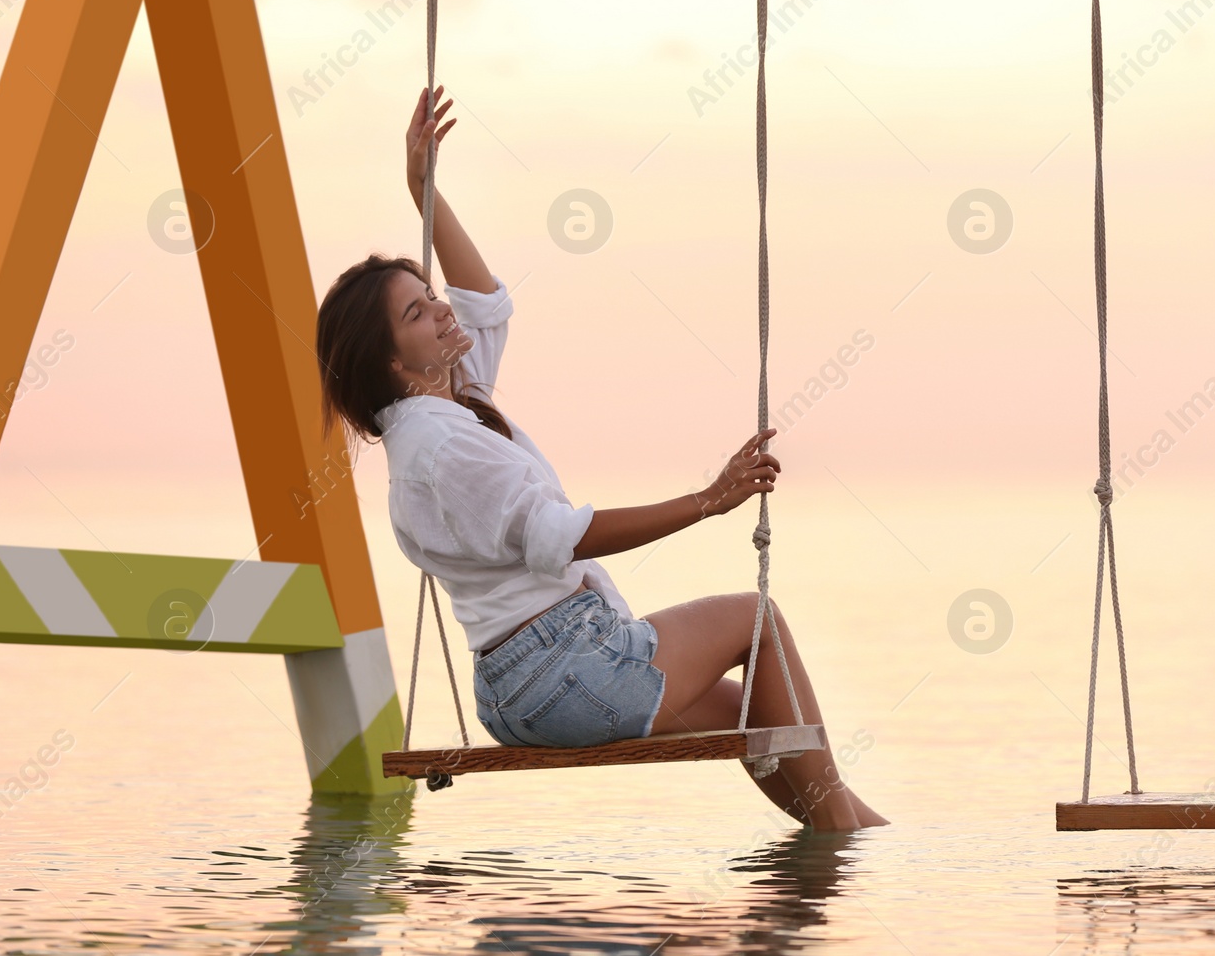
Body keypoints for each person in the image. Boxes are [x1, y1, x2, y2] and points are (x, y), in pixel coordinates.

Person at [313, 86, 886, 831]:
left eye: (429, 293)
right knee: (759, 620)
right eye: (418, 312)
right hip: (564, 668)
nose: (443, 308)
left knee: (754, 719)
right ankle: (856, 865)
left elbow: (486, 301)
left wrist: (424, 191)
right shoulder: (442, 442)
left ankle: (860, 842)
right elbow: (560, 536)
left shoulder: (447, 403)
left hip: (527, 682)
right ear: (390, 362)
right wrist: (707, 500)